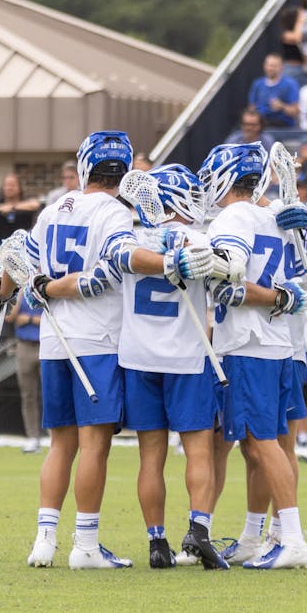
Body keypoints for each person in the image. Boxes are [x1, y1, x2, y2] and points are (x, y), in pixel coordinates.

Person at [0, 130, 213, 569]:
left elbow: (12, 276)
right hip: (98, 342)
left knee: (60, 445)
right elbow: (121, 261)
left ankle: (44, 540)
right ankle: (86, 546)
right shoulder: (115, 212)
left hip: (54, 343)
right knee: (93, 447)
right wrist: (172, 262)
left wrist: (18, 288)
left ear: (84, 165)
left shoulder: (52, 209)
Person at [199, 142, 307, 569]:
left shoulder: (234, 216)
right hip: (279, 342)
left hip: (248, 342)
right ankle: (254, 536)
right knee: (257, 445)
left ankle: (293, 538)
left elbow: (231, 278)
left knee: (263, 443)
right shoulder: (273, 215)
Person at [115, 164, 229, 570]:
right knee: (198, 449)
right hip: (186, 354)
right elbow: (228, 270)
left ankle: (156, 542)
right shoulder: (196, 238)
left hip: (138, 356)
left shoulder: (129, 238)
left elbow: (118, 261)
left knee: (151, 456)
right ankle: (199, 531)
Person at [5, 291, 43, 454]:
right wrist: (20, 293)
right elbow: (10, 317)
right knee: (28, 395)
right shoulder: (21, 291)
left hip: (45, 344)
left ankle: (56, 434)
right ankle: (33, 437)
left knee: (52, 392)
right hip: (24, 345)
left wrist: (28, 319)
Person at [248, 53, 300, 128]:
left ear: (281, 67)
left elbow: (295, 111)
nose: (270, 68)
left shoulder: (290, 84)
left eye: (273, 66)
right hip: (261, 126)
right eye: (268, 65)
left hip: (283, 126)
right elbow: (252, 108)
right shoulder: (257, 84)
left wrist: (282, 106)